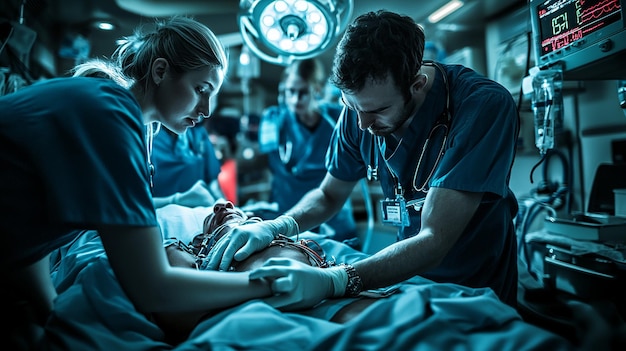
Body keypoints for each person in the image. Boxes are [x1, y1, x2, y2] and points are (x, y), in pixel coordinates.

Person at [205, 10, 521, 311]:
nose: (361, 125)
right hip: (409, 281)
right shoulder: (361, 107)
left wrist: (338, 280)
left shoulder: (481, 107)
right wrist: (278, 226)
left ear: (417, 84)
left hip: (477, 289)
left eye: (377, 112)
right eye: (351, 107)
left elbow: (434, 238)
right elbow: (329, 195)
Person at [0, 16, 279, 349]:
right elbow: (152, 288)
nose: (206, 109)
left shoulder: (117, 115)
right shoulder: (109, 116)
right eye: (200, 89)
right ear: (160, 72)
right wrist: (272, 283)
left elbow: (28, 228)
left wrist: (49, 312)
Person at [257, 58, 358, 245]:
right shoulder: (274, 119)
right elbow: (263, 161)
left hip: (333, 218)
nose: (295, 99)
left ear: (317, 89)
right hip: (288, 214)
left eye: (303, 92)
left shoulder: (339, 118)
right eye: (290, 92)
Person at [151, 122, 226, 209]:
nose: (205, 112)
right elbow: (135, 205)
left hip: (197, 216)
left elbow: (213, 185)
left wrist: (229, 209)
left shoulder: (197, 132)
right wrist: (175, 200)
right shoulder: (147, 135)